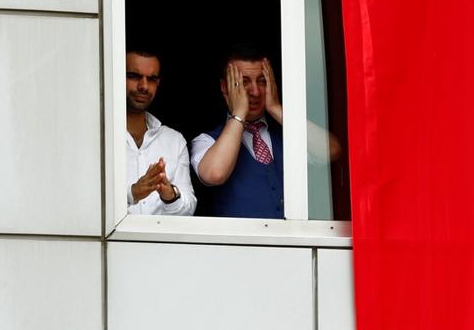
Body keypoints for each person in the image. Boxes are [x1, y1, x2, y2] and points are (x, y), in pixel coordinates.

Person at [189, 45, 343, 219]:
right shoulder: (207, 141)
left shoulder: (288, 134)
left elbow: (332, 150)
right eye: (244, 82)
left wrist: (276, 108)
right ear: (225, 88)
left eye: (262, 81)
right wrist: (239, 114)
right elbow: (215, 173)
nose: (255, 92)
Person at [124, 46, 196, 216]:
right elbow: (83, 198)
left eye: (151, 79)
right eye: (134, 76)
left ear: (158, 83)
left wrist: (169, 194)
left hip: (160, 243)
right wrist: (132, 193)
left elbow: (189, 209)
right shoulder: (97, 135)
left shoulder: (174, 140)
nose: (143, 86)